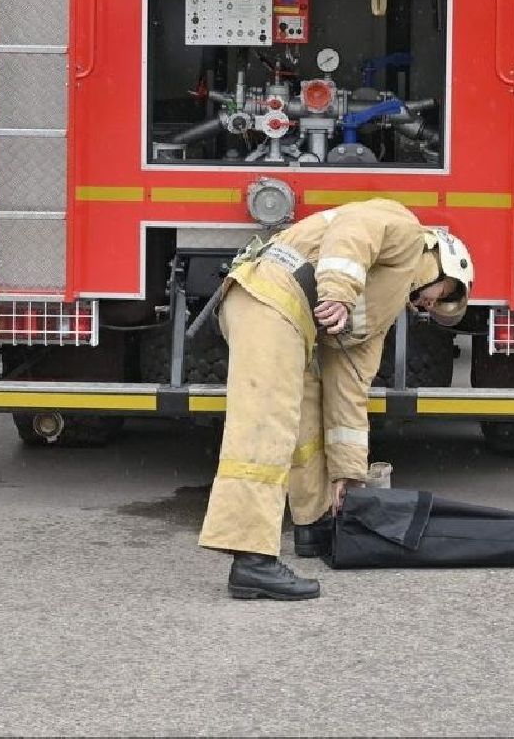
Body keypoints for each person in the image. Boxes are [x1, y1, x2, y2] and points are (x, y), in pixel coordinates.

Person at [197, 199, 474, 600]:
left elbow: (350, 392)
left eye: (439, 308)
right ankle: (251, 560)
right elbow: (353, 230)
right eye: (443, 295)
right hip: (270, 298)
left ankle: (312, 526)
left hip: (288, 317)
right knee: (263, 428)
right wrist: (339, 294)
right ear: (447, 263)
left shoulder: (378, 316)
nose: (431, 306)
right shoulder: (408, 232)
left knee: (306, 424)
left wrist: (348, 473)